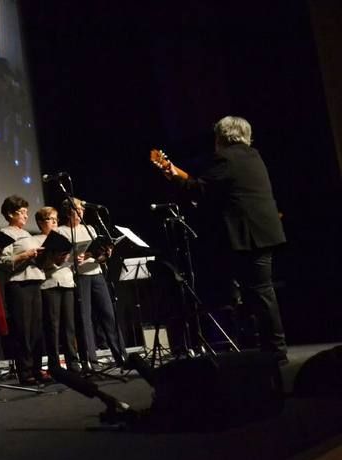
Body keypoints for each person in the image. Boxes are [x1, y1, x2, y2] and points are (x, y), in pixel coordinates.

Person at [151, 115, 288, 362]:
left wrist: (173, 178)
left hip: (248, 237)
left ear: (220, 137)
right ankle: (268, 346)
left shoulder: (225, 157)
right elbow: (217, 186)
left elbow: (201, 190)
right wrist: (180, 175)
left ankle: (275, 349)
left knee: (258, 292)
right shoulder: (252, 155)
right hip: (262, 233)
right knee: (258, 292)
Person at [58, 198, 128, 370]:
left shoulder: (89, 228)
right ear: (68, 212)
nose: (81, 211)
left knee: (109, 315)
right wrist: (75, 257)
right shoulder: (61, 231)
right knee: (84, 319)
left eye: (82, 209)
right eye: (77, 209)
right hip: (78, 276)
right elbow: (60, 258)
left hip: (96, 274)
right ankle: (91, 361)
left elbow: (99, 256)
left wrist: (105, 252)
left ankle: (122, 357)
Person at [0, 195, 51, 385]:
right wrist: (25, 255)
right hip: (19, 284)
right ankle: (25, 372)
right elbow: (2, 261)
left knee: (36, 329)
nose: (25, 216)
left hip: (36, 281)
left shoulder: (28, 234)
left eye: (27, 213)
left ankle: (37, 369)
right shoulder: (4, 233)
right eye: (22, 212)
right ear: (10, 213)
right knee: (23, 330)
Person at [34, 207, 82, 373]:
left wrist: (74, 259)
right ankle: (55, 365)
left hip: (67, 282)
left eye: (55, 219)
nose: (54, 222)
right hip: (50, 284)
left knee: (69, 326)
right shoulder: (37, 240)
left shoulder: (64, 237)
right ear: (40, 223)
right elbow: (39, 265)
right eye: (49, 219)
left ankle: (73, 363)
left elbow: (70, 260)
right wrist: (54, 259)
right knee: (53, 327)